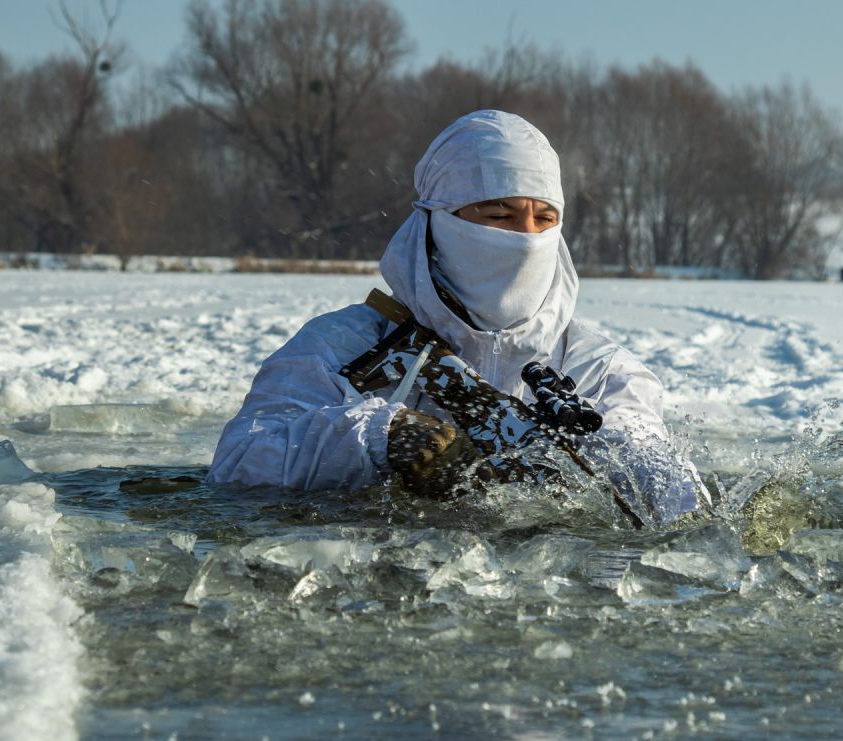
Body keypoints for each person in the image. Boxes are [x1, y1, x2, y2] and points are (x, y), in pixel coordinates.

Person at [207, 110, 704, 524]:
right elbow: (242, 460)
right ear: (439, 223)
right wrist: (383, 437)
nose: (525, 237)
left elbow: (661, 479)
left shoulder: (597, 367)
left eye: (543, 218)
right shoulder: (343, 344)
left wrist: (620, 463)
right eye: (498, 215)